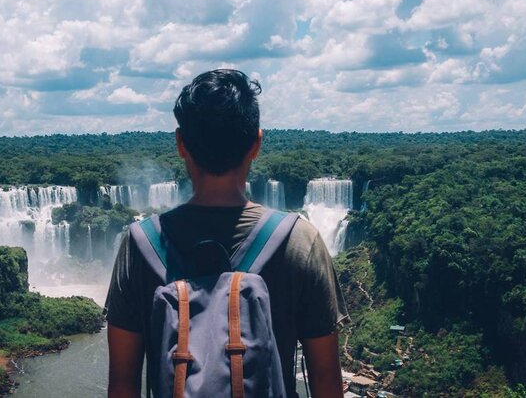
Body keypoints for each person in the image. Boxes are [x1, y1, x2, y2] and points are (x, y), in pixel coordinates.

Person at [106, 69, 349, 397]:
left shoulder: (139, 246)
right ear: (256, 144)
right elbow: (326, 383)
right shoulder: (300, 242)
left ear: (181, 144)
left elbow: (122, 385)